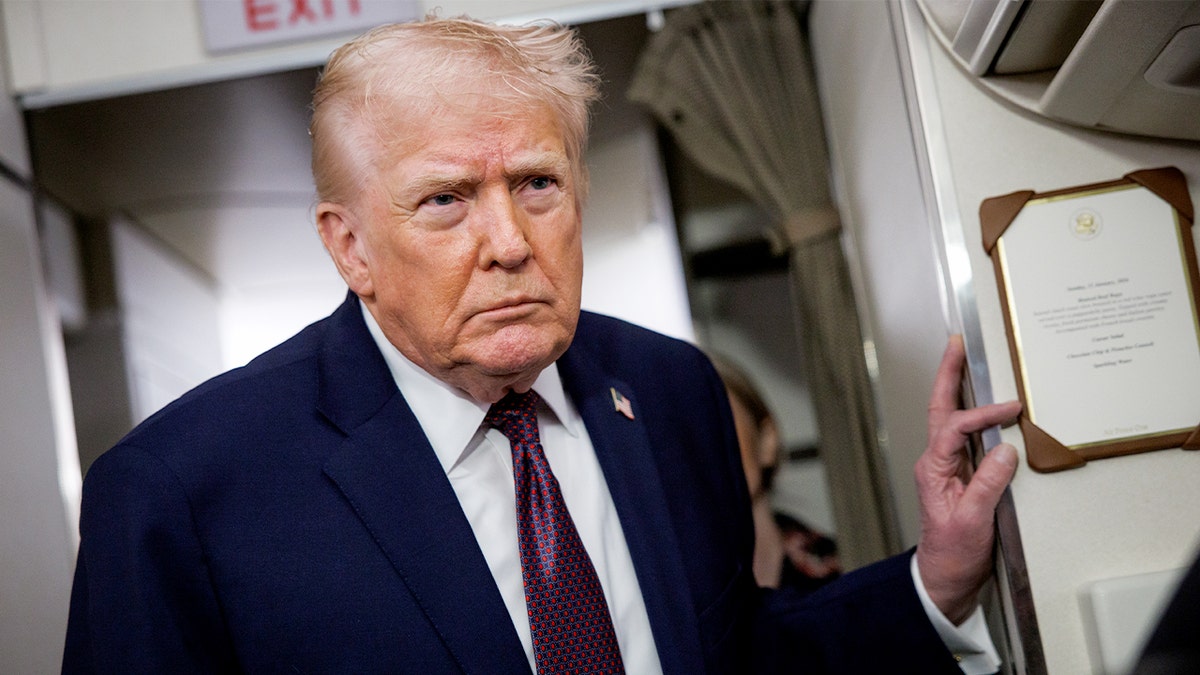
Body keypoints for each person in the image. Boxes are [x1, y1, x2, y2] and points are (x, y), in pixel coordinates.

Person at [62, 15, 1022, 674]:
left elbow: (731, 652)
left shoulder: (669, 389)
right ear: (348, 244)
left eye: (536, 183)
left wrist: (934, 576)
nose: (511, 241)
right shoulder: (179, 490)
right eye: (446, 200)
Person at [712, 355, 841, 594]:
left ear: (766, 441)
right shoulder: (670, 599)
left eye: (715, 424)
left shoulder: (836, 574)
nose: (702, 449)